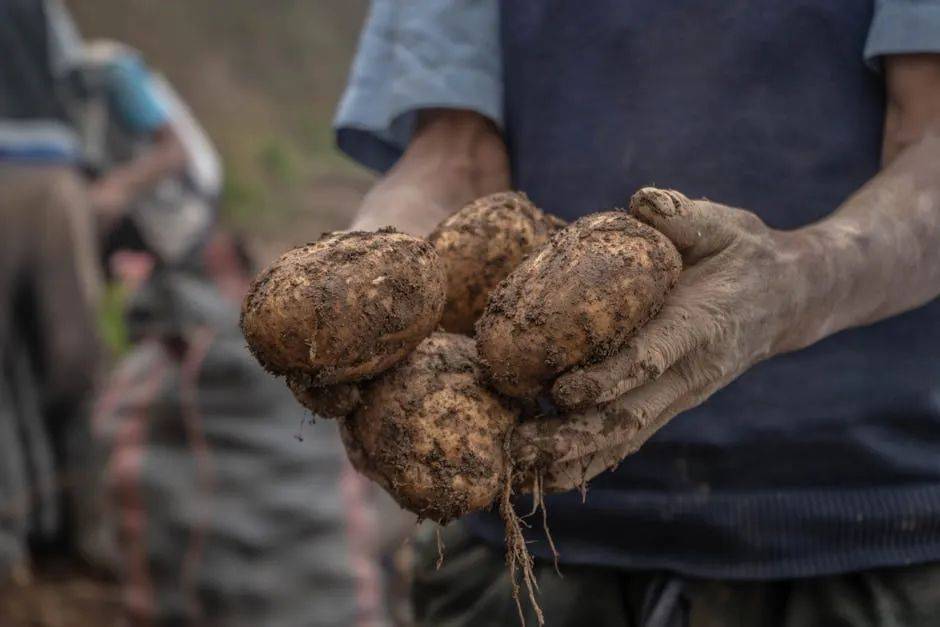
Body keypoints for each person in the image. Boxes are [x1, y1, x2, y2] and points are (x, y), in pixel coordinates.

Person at [333, 1, 940, 625]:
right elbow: (453, 153)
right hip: (531, 531)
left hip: (866, 519)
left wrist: (798, 279)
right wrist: (360, 282)